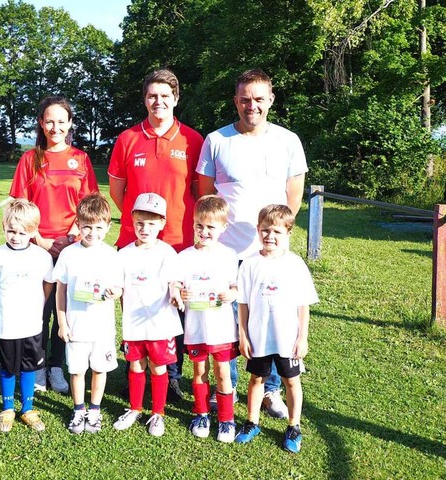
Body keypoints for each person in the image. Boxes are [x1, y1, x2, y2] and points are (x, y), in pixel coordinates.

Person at [196, 68, 308, 418]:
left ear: (271, 100)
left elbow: (294, 195)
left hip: (270, 253)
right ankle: (223, 387)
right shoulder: (216, 140)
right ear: (235, 101)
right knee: (227, 323)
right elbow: (205, 194)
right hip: (227, 252)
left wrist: (276, 237)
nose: (252, 105)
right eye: (245, 99)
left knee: (272, 319)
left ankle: (271, 390)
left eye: (259, 98)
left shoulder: (288, 140)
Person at [108, 69, 204, 401]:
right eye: (152, 95)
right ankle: (135, 370)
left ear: (176, 99)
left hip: (177, 241)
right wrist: (142, 225)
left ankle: (171, 376)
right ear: (144, 99)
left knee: (170, 312)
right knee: (134, 307)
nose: (158, 101)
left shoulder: (193, 140)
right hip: (133, 242)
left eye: (165, 96)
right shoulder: (127, 138)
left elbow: (197, 191)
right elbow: (119, 194)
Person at [9, 96, 98, 395]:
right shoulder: (30, 159)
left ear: (70, 123)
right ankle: (37, 366)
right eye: (49, 120)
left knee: (66, 309)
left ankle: (57, 366)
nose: (55, 126)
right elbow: (20, 204)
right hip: (36, 247)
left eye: (61, 121)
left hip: (73, 247)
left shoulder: (81, 159)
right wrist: (40, 239)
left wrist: (71, 237)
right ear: (41, 123)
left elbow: (90, 205)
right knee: (39, 310)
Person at [234, 204, 318, 453]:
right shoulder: (249, 264)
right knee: (256, 378)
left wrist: (302, 338)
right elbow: (243, 303)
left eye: (276, 232)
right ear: (258, 231)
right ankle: (252, 422)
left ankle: (294, 426)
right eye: (265, 230)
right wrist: (243, 335)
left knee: (291, 381)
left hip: (287, 338)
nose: (270, 236)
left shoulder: (295, 264)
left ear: (288, 233)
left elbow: (304, 304)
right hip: (259, 337)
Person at [170, 195, 239, 443]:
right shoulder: (185, 256)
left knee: (223, 373)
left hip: (221, 329)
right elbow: (175, 283)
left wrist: (231, 294)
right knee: (199, 370)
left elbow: (236, 287)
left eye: (211, 227)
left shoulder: (229, 255)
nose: (204, 231)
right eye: (200, 225)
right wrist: (178, 293)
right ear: (193, 224)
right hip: (196, 327)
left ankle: (226, 419)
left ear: (223, 228)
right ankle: (200, 414)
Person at [113, 193, 183, 437]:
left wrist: (175, 292)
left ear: (162, 223)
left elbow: (174, 281)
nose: (145, 228)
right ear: (133, 220)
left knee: (158, 368)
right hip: (133, 323)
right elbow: (119, 285)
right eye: (141, 222)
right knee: (135, 364)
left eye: (152, 223)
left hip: (160, 324)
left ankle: (158, 412)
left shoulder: (167, 253)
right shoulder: (123, 254)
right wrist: (115, 290)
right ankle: (134, 408)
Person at [52, 193, 122, 434]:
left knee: (99, 368)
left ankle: (94, 410)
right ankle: (78, 409)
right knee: (77, 370)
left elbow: (119, 287)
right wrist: (62, 322)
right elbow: (60, 290)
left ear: (108, 226)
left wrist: (115, 292)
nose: (92, 233)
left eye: (99, 227)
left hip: (102, 328)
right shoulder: (69, 254)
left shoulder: (112, 255)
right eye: (87, 227)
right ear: (78, 225)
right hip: (76, 326)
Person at [0, 199, 54, 432]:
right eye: (11, 231)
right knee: (7, 367)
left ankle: (27, 408)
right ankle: (7, 408)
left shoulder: (41, 257)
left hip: (32, 324)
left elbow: (47, 285)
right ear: (3, 226)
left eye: (22, 232)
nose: (15, 236)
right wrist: (1, 306)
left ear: (33, 231)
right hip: (6, 325)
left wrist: (37, 307)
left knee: (29, 366)